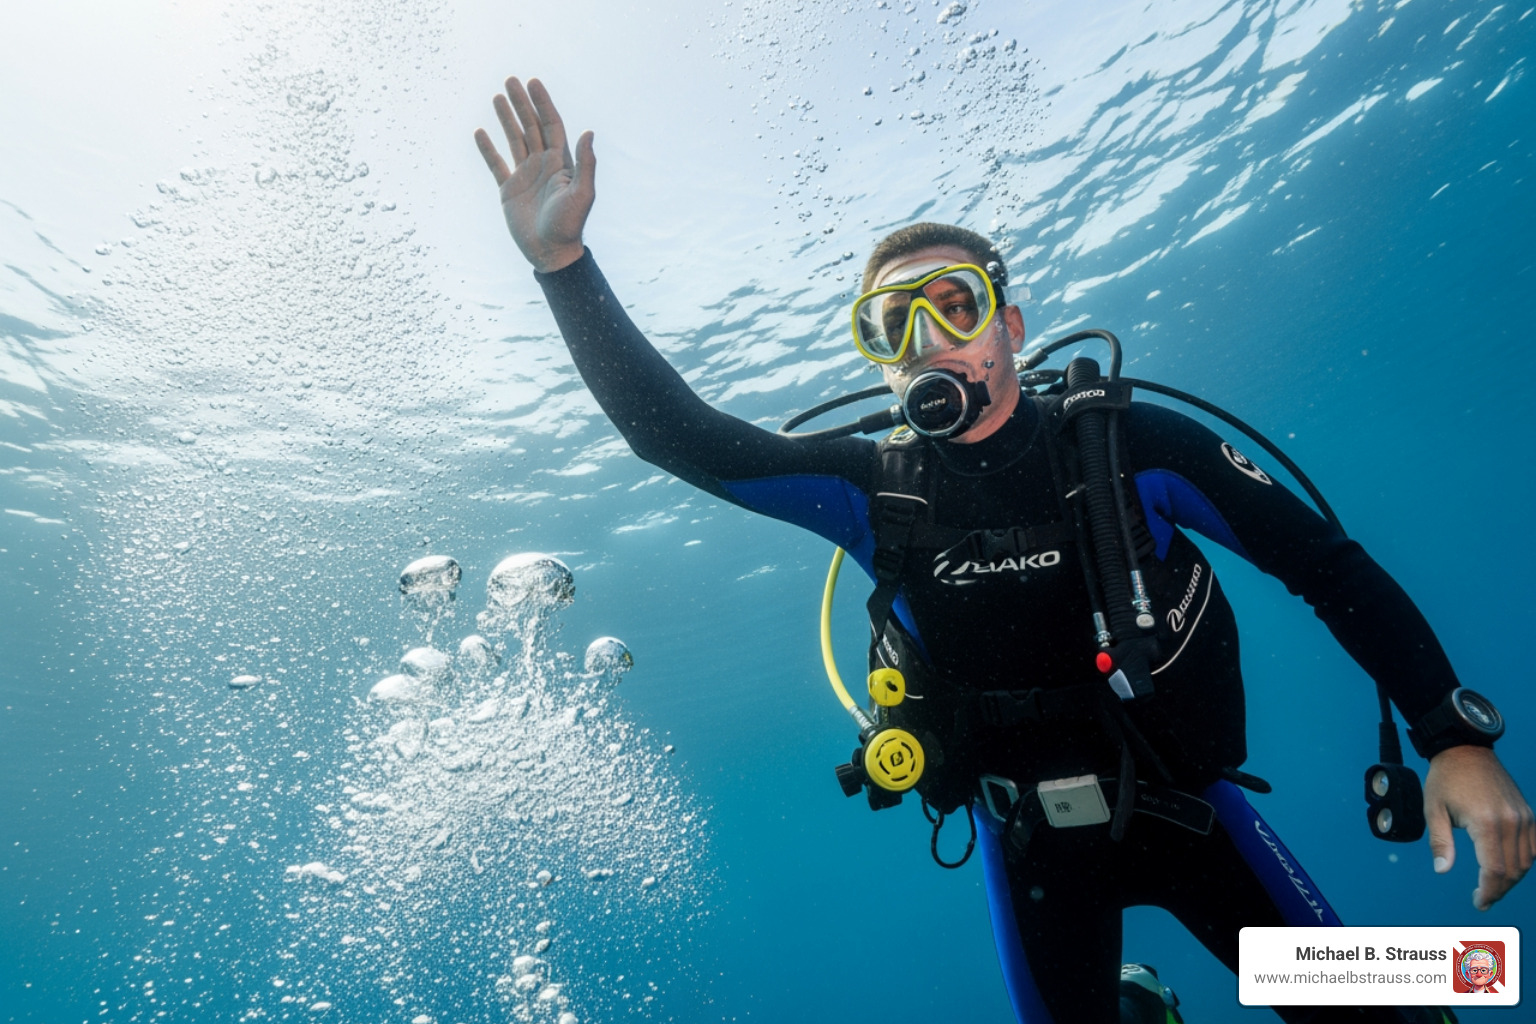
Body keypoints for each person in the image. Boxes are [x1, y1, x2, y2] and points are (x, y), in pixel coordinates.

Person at [473, 76, 1535, 1023]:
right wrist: (564, 263)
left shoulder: (1130, 445)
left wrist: (1452, 732)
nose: (928, 338)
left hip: (1186, 809)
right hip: (1028, 848)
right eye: (892, 325)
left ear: (1011, 326)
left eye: (956, 304)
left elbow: (1323, 564)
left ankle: (1395, 985)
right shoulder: (867, 489)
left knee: (1397, 1015)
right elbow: (680, 436)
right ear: (881, 361)